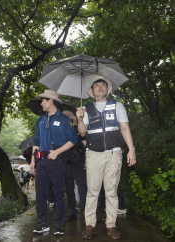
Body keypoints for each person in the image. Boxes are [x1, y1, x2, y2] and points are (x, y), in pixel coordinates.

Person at [76, 76, 136, 240]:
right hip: (93, 154)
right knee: (92, 192)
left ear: (107, 89)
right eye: (96, 84)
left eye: (103, 84)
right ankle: (90, 224)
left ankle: (111, 225)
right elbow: (82, 132)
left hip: (114, 153)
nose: (100, 86)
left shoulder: (117, 106)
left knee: (111, 191)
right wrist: (79, 119)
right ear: (92, 90)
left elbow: (124, 127)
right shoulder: (86, 109)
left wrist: (131, 149)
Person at [30, 90, 77, 235]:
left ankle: (58, 225)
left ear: (51, 101)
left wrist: (57, 152)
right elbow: (36, 141)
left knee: (57, 194)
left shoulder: (64, 119)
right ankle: (42, 224)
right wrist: (33, 160)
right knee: (41, 194)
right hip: (41, 161)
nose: (42, 103)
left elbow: (73, 140)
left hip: (57, 162)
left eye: (43, 100)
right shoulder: (41, 120)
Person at [62, 110, 87, 222]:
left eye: (69, 117)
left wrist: (87, 160)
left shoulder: (79, 129)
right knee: (69, 188)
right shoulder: (61, 130)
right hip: (66, 162)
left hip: (79, 161)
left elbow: (86, 145)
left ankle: (89, 213)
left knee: (83, 188)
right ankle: (72, 212)